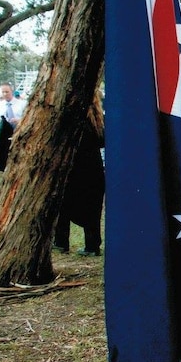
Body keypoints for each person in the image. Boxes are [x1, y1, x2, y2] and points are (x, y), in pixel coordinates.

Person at [53, 97, 105, 257]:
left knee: (63, 206)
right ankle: (92, 245)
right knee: (93, 209)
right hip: (94, 169)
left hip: (73, 168)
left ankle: (61, 242)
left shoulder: (73, 119)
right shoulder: (98, 120)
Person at [0, 83, 26, 171]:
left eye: (7, 92)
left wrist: (19, 121)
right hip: (4, 136)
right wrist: (1, 120)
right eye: (3, 92)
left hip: (19, 133)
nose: (5, 94)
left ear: (12, 91)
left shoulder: (22, 104)